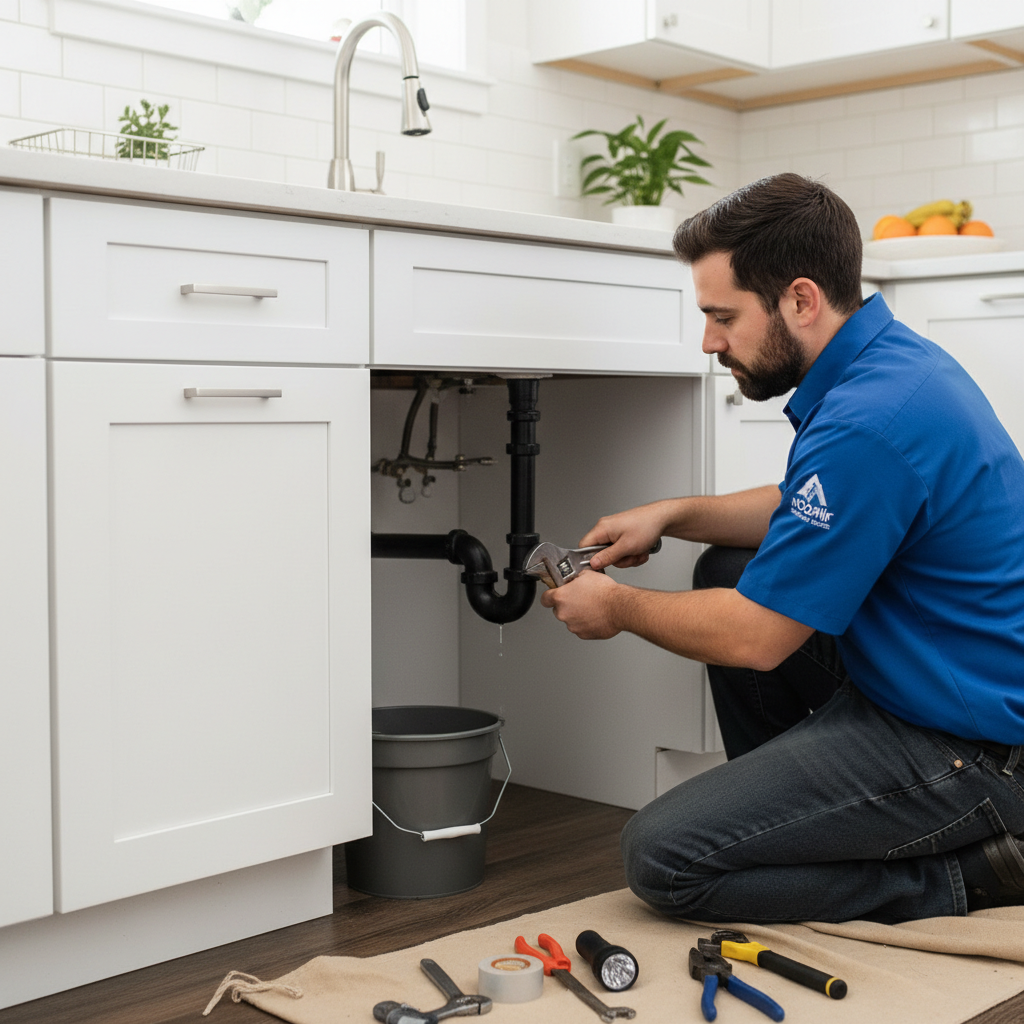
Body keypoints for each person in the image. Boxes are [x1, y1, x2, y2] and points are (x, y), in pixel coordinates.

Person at [540, 173, 1024, 925]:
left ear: (800, 300)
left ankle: (968, 874)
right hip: (938, 677)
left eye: (723, 316)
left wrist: (616, 607)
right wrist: (672, 514)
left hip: (973, 747)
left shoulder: (870, 420)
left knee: (664, 859)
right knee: (725, 568)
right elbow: (811, 505)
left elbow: (758, 638)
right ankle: (803, 827)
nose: (709, 341)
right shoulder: (887, 364)